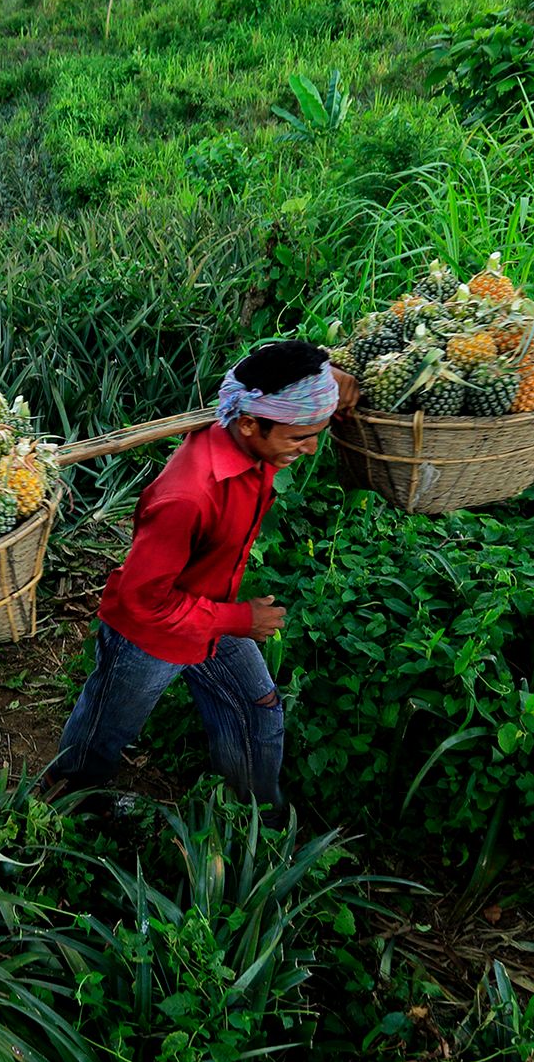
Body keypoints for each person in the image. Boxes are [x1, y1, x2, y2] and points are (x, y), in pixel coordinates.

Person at [47, 340, 359, 818]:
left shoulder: (257, 430)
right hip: (150, 635)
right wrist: (240, 619)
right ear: (251, 425)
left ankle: (256, 818)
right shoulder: (188, 496)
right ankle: (71, 802)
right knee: (107, 728)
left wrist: (334, 385)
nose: (310, 448)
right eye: (300, 437)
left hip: (211, 610)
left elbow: (292, 368)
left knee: (258, 709)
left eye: (316, 431)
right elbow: (143, 602)